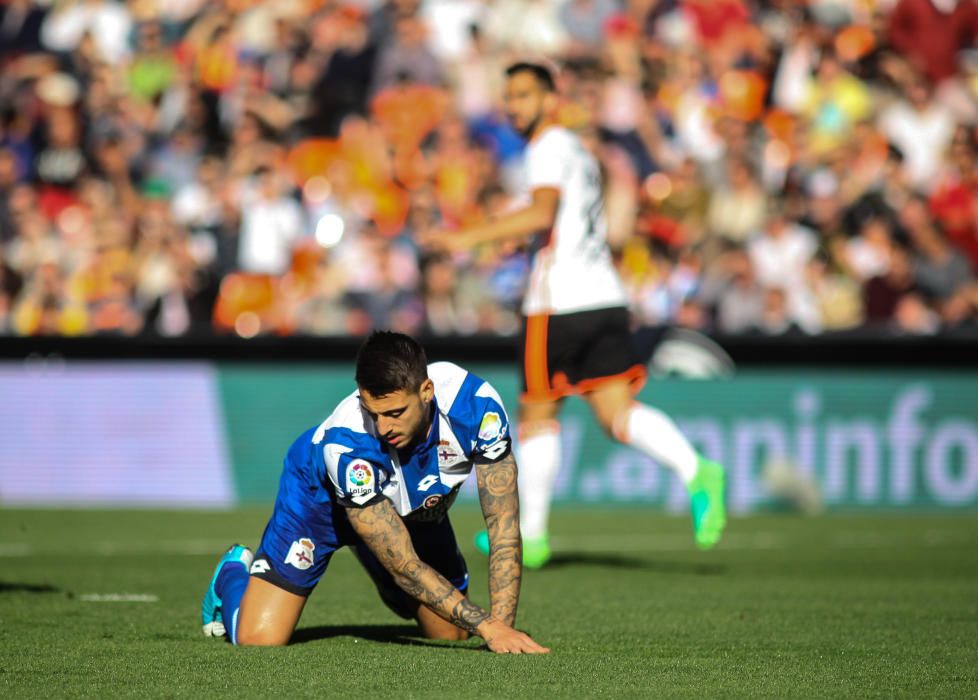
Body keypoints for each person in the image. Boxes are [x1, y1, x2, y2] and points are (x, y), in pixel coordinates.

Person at [420, 62, 726, 568]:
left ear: (548, 99)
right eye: (509, 97)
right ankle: (696, 468)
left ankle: (530, 537)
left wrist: (466, 236)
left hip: (557, 302)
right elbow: (557, 221)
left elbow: (543, 214)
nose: (514, 106)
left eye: (524, 95)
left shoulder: (546, 147)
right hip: (604, 294)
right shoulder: (577, 151)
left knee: (539, 414)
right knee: (615, 413)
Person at [200, 330, 549, 654]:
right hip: (319, 506)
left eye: (395, 413)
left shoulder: (476, 407)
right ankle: (232, 575)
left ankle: (376, 551)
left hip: (409, 511)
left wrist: (503, 628)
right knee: (259, 640)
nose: (384, 428)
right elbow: (405, 565)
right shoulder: (348, 445)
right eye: (374, 413)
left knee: (451, 632)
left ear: (426, 391)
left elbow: (503, 528)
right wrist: (487, 626)